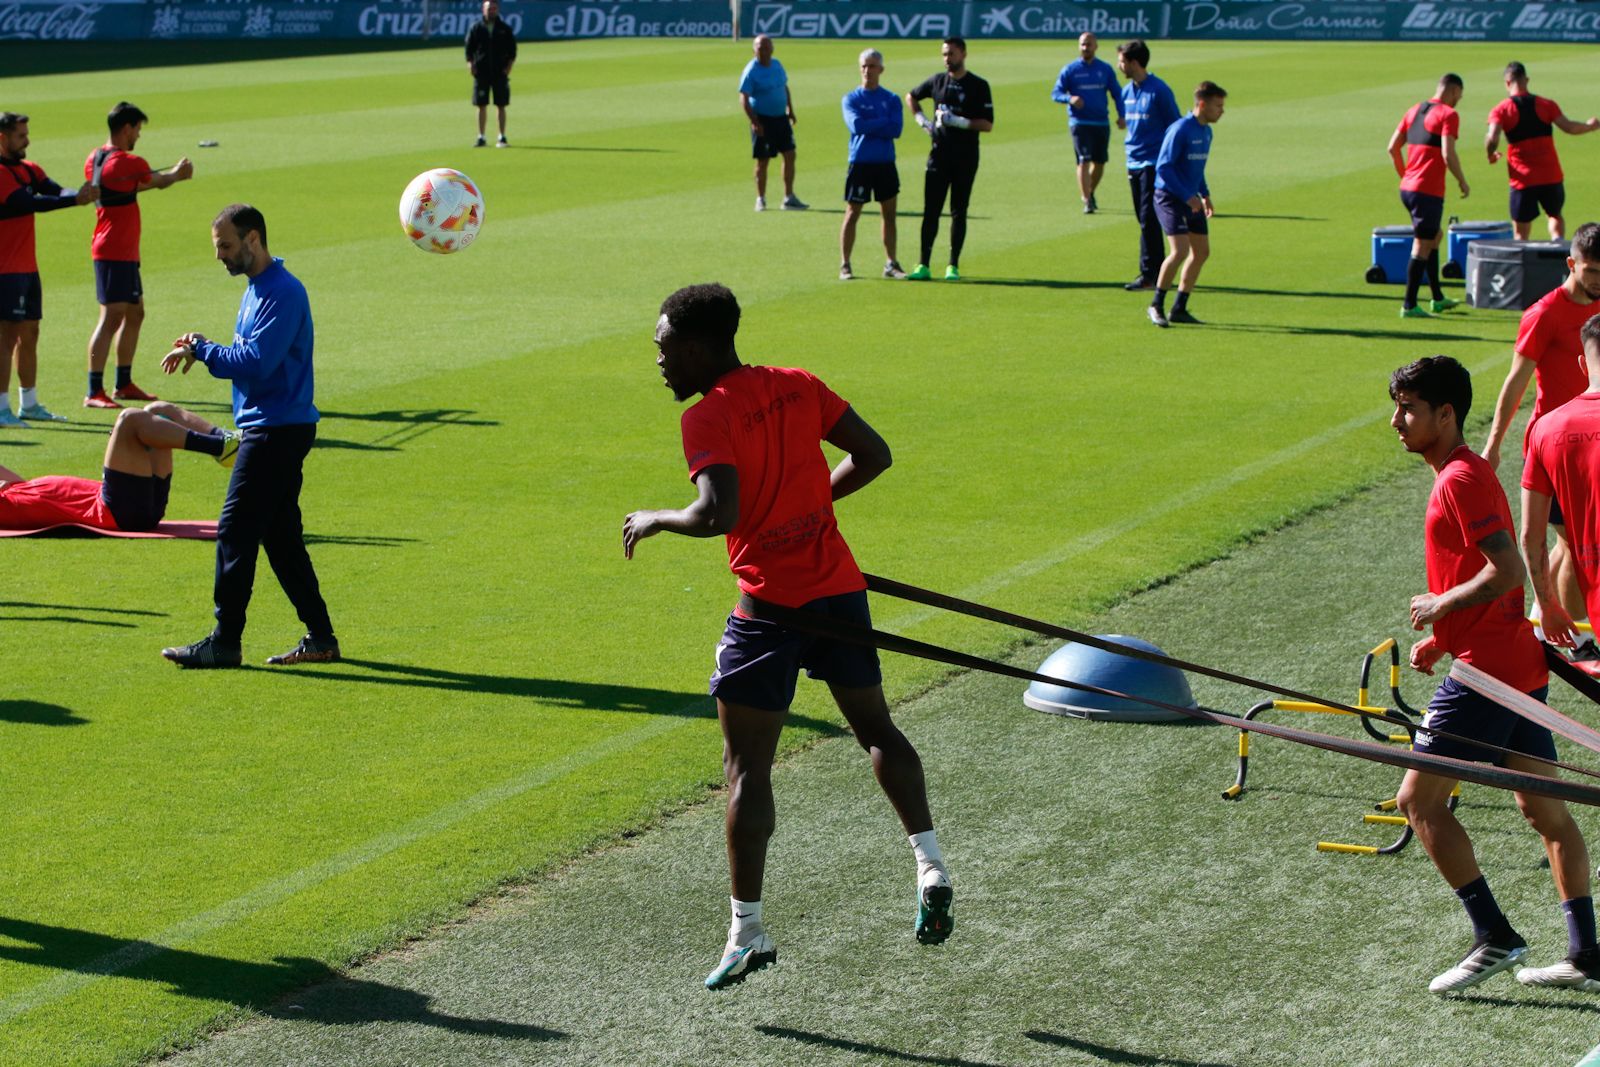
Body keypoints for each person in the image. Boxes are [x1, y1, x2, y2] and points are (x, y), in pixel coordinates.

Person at [622, 283, 952, 990]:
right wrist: (810, 503)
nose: (658, 361)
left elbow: (716, 513)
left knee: (747, 771)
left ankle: (748, 932)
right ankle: (930, 863)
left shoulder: (707, 416)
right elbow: (875, 454)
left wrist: (658, 516)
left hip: (771, 612)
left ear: (701, 347)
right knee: (877, 730)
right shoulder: (798, 385)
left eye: (665, 348)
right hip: (838, 590)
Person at [1389, 354, 1596, 995]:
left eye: (1410, 410)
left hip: (1490, 674)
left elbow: (1505, 571)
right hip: (1508, 661)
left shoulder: (1458, 479)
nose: (1397, 421)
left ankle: (1495, 936)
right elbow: (1483, 576)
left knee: (1417, 803)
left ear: (1445, 414)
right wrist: (1445, 639)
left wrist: (1439, 608)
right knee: (1548, 814)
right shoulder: (1465, 471)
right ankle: (1587, 955)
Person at [158, 204, 338, 670]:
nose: (220, 255)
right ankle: (321, 637)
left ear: (253, 240)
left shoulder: (282, 292)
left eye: (226, 245)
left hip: (276, 430)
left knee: (236, 530)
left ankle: (225, 641)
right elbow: (247, 353)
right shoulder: (259, 289)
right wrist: (205, 348)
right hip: (272, 425)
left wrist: (205, 350)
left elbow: (257, 362)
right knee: (281, 538)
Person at [1481, 223, 1600, 645]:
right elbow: (1515, 382)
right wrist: (1493, 445)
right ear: (1571, 264)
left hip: (1592, 444)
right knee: (1574, 547)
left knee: (1572, 544)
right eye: (1592, 272)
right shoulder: (1545, 314)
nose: (1598, 282)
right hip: (1557, 448)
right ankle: (1579, 643)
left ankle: (1537, 620)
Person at [82, 101, 194, 410]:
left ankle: (123, 383)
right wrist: (178, 173)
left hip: (118, 249)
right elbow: (158, 182)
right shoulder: (129, 163)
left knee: (134, 313)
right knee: (111, 318)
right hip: (115, 251)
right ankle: (94, 391)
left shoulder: (95, 158)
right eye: (138, 129)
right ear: (126, 128)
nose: (139, 136)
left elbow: (125, 189)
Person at [0, 401, 235, 532]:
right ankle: (222, 447)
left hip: (130, 504)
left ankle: (229, 442)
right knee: (129, 419)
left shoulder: (13, 490)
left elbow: (7, 475)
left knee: (158, 411)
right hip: (115, 511)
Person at [0, 111, 97, 428]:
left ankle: (29, 404)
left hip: (27, 267)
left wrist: (81, 194)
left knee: (30, 333)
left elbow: (53, 189)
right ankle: (1, 409)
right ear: (2, 138)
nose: (27, 140)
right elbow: (27, 204)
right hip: (5, 270)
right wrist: (74, 202)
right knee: (6, 338)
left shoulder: (29, 169)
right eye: (20, 135)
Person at [904, 37, 993, 282]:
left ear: (963, 54)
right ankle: (923, 263)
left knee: (958, 211)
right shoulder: (937, 81)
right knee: (930, 210)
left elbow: (987, 124)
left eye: (951, 54)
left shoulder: (978, 85)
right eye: (944, 54)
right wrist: (922, 121)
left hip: (965, 157)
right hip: (938, 156)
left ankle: (953, 265)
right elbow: (911, 96)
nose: (947, 59)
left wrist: (961, 122)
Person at [1486, 62, 1599, 242]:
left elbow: (1492, 137)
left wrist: (1491, 154)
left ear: (1507, 83)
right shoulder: (1546, 104)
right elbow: (1569, 127)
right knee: (1555, 215)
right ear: (1527, 80)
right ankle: (1558, 247)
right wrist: (1590, 126)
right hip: (1550, 175)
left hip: (1522, 179)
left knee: (1521, 233)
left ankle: (1523, 267)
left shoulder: (1501, 110)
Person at [1387, 74, 1470, 320]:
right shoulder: (1448, 114)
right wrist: (1462, 180)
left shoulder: (1414, 110)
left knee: (1434, 236)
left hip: (1409, 188)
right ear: (1454, 91)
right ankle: (1409, 304)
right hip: (1427, 190)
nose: (1458, 101)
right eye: (1459, 96)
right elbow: (1448, 153)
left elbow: (1392, 147)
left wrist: (1406, 175)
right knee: (1422, 244)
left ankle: (1437, 297)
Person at [1149, 81, 1225, 328]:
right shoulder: (1180, 130)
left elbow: (1196, 168)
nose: (1221, 111)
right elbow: (1164, 168)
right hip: (1170, 197)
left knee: (1201, 252)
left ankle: (1179, 308)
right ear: (1202, 104)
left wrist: (1204, 194)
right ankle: (1156, 305)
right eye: (1217, 106)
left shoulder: (1206, 132)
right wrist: (1186, 195)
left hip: (1191, 198)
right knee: (1180, 251)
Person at [1115, 39, 1182, 292]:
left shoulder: (1159, 90)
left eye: (1122, 61)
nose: (1119, 66)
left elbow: (1174, 126)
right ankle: (1155, 270)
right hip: (1132, 161)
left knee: (1148, 219)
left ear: (1133, 62)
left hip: (1153, 163)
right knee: (1142, 219)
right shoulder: (1127, 91)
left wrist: (1169, 161)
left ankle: (1150, 273)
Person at [839, 49, 905, 282]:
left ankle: (891, 262)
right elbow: (856, 125)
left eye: (872, 66)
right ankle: (845, 264)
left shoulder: (891, 99)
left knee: (889, 215)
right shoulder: (851, 98)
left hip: (885, 163)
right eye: (864, 66)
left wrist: (872, 124)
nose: (868, 70)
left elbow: (896, 129)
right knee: (852, 213)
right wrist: (882, 122)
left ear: (881, 69)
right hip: (860, 162)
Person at [1051, 32, 1123, 215]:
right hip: (1080, 122)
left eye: (1089, 44)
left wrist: (1122, 115)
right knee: (1083, 160)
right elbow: (1055, 93)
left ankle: (1090, 192)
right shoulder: (1070, 69)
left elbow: (1117, 94)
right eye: (1083, 44)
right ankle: (1087, 200)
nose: (1086, 48)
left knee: (1099, 163)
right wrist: (1070, 98)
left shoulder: (1105, 69)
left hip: (1101, 122)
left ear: (1096, 46)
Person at [739, 35, 807, 213]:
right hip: (763, 119)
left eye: (767, 47)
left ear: (772, 49)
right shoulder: (751, 71)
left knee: (790, 154)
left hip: (780, 119)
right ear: (754, 50)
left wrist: (790, 110)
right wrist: (754, 122)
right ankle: (760, 198)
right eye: (760, 48)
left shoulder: (777, 65)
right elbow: (744, 99)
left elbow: (784, 87)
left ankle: (788, 197)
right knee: (763, 160)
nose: (764, 51)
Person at [465, 0, 516, 148]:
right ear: (483, 10)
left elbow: (512, 51)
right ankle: (481, 136)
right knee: (481, 104)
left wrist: (508, 68)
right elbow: (469, 50)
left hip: (499, 72)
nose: (491, 11)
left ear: (497, 9)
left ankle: (502, 136)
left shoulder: (504, 29)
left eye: (493, 8)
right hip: (482, 72)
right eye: (488, 8)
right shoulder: (476, 28)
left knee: (501, 105)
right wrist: (470, 65)